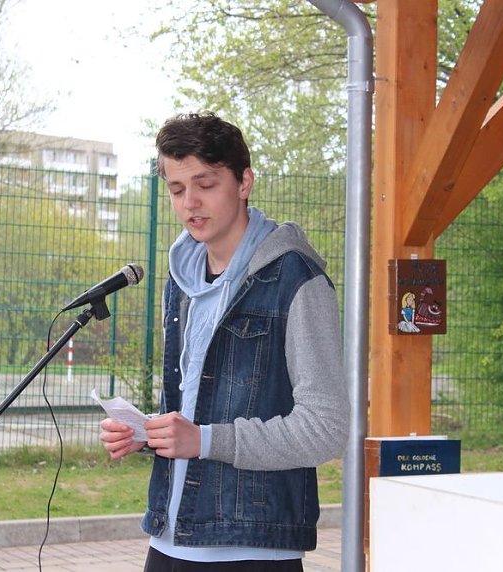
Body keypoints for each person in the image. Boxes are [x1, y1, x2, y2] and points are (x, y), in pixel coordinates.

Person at [99, 112, 349, 571]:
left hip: (252, 549)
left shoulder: (296, 278)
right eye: (176, 189)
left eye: (206, 183)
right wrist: (149, 432)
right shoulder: (181, 281)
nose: (190, 201)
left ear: (244, 182)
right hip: (170, 539)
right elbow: (201, 408)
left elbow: (327, 428)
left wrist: (204, 440)